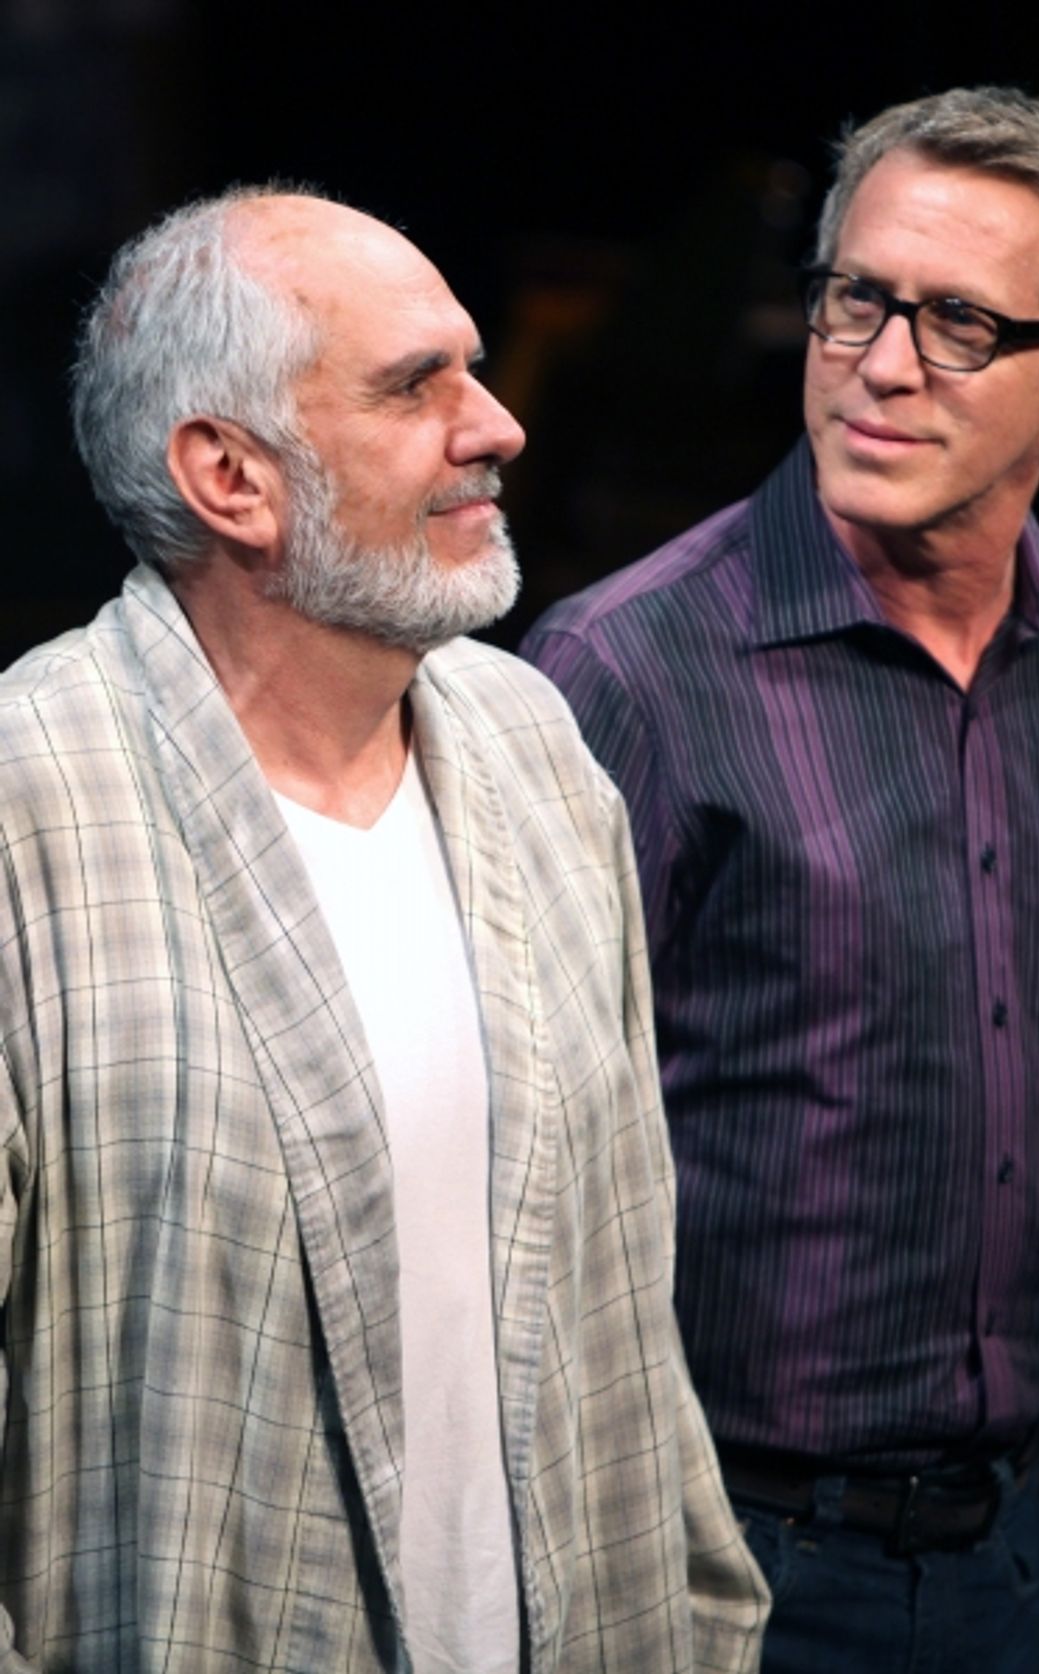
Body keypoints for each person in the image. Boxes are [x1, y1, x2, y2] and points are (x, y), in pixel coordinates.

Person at [0, 186, 767, 1674]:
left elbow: (625, 1292)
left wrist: (709, 1620)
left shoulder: (529, 740)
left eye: (471, 371)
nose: (497, 424)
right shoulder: (30, 804)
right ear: (231, 475)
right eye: (418, 386)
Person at [522, 87, 1039, 1672]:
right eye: (858, 300)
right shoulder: (623, 669)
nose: (884, 364)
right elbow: (513, 1184)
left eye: (960, 322)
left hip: (1016, 1548)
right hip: (708, 1554)